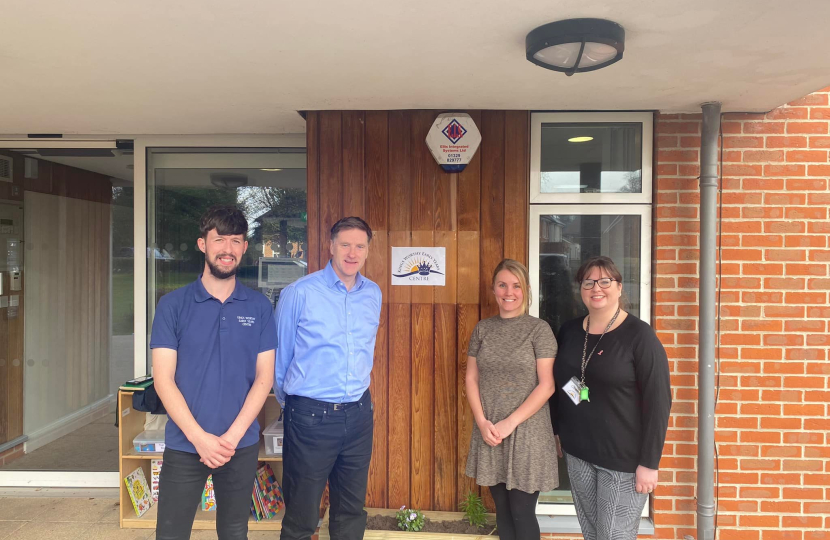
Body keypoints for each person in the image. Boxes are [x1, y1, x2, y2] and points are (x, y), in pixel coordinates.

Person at [150, 205, 277, 540]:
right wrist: (199, 438)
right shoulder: (172, 306)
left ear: (245, 248)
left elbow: (264, 378)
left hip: (240, 444)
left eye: (236, 241)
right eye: (219, 239)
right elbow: (163, 380)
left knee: (235, 532)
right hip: (185, 442)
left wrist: (231, 438)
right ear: (202, 244)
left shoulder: (260, 307)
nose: (228, 249)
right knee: (171, 533)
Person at [275, 216, 382, 540]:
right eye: (345, 244)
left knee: (351, 512)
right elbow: (280, 362)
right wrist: (295, 405)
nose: (352, 253)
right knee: (301, 516)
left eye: (360, 246)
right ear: (330, 246)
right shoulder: (300, 293)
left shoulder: (372, 294)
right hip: (310, 417)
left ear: (367, 251)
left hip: (359, 415)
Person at [552, 256, 671, 540]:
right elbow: (561, 384)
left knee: (614, 536)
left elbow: (659, 402)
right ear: (580, 289)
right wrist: (557, 430)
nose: (597, 288)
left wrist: (650, 463)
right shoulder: (569, 331)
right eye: (588, 282)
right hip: (578, 452)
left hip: (623, 460)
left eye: (605, 281)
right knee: (592, 534)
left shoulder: (640, 336)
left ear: (619, 288)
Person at [465, 258, 558, 540]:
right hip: (491, 431)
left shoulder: (538, 329)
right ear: (493, 289)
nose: (509, 292)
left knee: (521, 510)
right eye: (502, 285)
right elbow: (471, 378)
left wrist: (510, 422)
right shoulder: (483, 329)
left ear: (526, 290)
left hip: (527, 432)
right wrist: (482, 422)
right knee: (502, 511)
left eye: (516, 286)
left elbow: (547, 385)